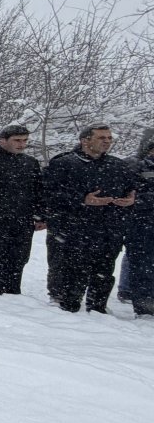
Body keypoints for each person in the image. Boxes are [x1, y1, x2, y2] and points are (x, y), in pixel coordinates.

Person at [42, 123, 137, 313]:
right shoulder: (64, 163)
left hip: (108, 230)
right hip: (72, 229)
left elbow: (136, 186)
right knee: (71, 271)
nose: (107, 142)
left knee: (104, 271)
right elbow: (47, 194)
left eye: (109, 138)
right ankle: (66, 307)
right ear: (85, 140)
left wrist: (131, 198)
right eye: (102, 138)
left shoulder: (117, 165)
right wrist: (81, 200)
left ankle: (98, 308)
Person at [0, 124, 46, 295]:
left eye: (25, 140)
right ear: (3, 141)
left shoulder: (30, 163)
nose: (21, 144)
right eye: (17, 140)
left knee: (19, 257)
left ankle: (13, 292)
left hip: (23, 218)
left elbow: (38, 191)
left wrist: (41, 216)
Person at [124, 129, 154, 316]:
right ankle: (144, 305)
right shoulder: (136, 166)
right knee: (142, 264)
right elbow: (130, 196)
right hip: (142, 223)